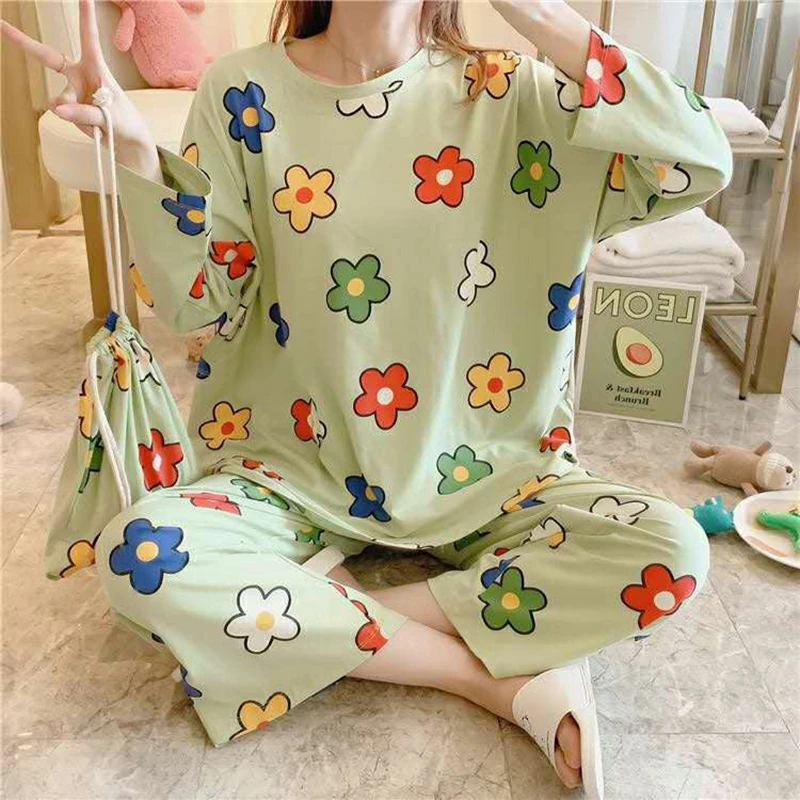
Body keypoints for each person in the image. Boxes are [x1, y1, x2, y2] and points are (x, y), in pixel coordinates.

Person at [2, 1, 732, 794]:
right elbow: (195, 302)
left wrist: (539, 14)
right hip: (290, 470)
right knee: (141, 558)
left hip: (492, 473)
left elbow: (696, 161)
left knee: (671, 552)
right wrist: (140, 158)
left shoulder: (518, 91)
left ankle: (320, 608)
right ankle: (483, 676)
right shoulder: (244, 91)